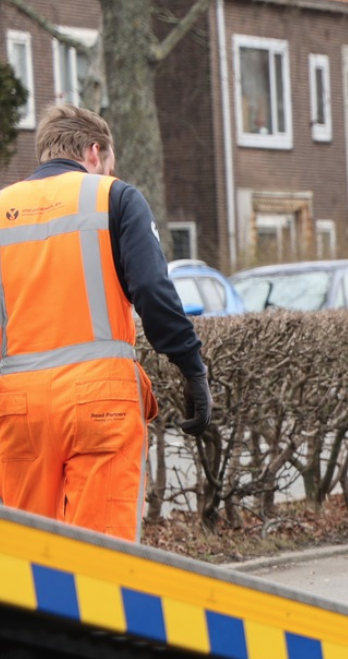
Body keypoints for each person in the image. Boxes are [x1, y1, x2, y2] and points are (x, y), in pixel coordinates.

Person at [0, 104, 211, 540]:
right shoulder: (113, 196)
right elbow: (153, 290)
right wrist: (192, 368)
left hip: (17, 409)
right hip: (101, 402)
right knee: (101, 558)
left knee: (24, 557)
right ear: (94, 152)